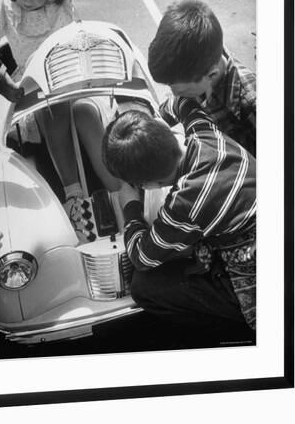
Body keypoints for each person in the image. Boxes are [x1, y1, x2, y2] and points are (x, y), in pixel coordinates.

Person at [0, 0, 120, 242]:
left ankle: (121, 195)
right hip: (38, 94)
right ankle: (75, 200)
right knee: (53, 112)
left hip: (78, 81)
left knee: (85, 114)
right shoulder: (3, 4)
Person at [102, 98, 256, 331]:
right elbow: (183, 102)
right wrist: (157, 119)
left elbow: (141, 256)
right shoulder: (205, 132)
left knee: (144, 287)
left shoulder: (185, 204)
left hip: (259, 275)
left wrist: (131, 208)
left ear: (147, 184)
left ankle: (230, 334)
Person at [148, 0, 256, 156]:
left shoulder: (252, 105)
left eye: (182, 91)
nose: (176, 96)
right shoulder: (196, 69)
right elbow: (172, 106)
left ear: (212, 74)